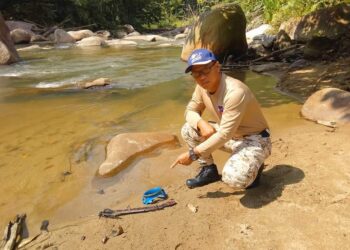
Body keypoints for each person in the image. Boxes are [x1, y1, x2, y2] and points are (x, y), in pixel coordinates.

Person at [171, 48, 272, 189]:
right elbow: (190, 111)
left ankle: (255, 167)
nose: (201, 77)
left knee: (233, 179)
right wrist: (201, 123)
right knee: (189, 129)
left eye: (205, 70)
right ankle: (208, 170)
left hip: (255, 139)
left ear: (217, 66)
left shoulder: (235, 91)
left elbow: (225, 134)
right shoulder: (201, 87)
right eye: (196, 73)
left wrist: (193, 154)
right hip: (231, 136)